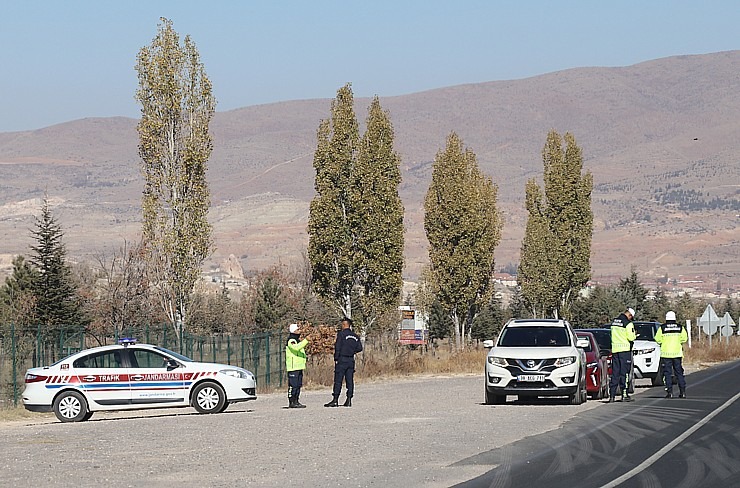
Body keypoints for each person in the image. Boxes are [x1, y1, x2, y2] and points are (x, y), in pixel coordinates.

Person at [324, 317, 363, 407]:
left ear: (345, 325)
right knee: (350, 380)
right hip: (351, 360)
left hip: (342, 359)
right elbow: (359, 348)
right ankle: (349, 399)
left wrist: (336, 358)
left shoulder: (341, 335)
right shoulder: (355, 336)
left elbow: (338, 347)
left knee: (338, 380)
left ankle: (335, 400)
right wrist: (352, 351)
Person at [655, 311, 688, 398]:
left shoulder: (662, 328)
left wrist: (664, 342)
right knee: (679, 373)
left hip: (666, 354)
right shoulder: (680, 327)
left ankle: (669, 392)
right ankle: (682, 392)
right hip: (677, 354)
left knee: (667, 373)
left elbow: (657, 339)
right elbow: (684, 339)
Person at [609, 308, 637, 403]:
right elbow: (631, 337)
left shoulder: (614, 322)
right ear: (629, 315)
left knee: (615, 373)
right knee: (624, 373)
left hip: (615, 350)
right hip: (624, 351)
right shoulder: (628, 324)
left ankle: (612, 396)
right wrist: (635, 335)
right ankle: (624, 394)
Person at [285, 323, 309, 408]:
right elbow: (296, 348)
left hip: (299, 367)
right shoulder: (291, 340)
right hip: (293, 367)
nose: (300, 331)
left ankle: (296, 400)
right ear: (293, 331)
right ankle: (291, 401)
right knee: (293, 385)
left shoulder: (297, 340)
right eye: (298, 330)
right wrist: (306, 340)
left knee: (298, 385)